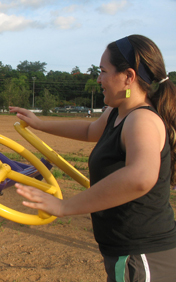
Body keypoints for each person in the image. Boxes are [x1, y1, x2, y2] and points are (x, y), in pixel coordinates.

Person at [10, 35, 176, 281]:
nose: (98, 79)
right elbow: (89, 131)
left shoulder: (142, 120)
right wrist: (40, 124)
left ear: (128, 76)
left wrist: (64, 206)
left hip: (142, 254)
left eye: (103, 71)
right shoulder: (117, 113)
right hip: (124, 251)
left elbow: (141, 177)